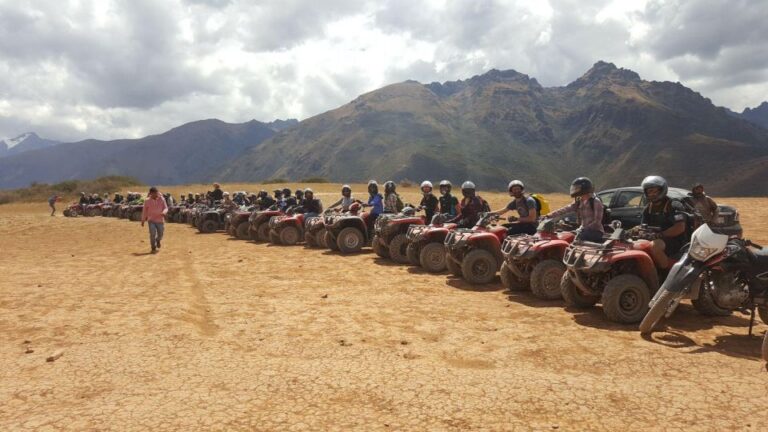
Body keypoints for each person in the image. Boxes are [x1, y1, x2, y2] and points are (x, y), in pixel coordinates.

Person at [638, 175, 687, 269]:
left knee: (655, 247)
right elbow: (643, 226)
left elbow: (680, 227)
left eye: (655, 191)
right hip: (657, 238)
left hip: (676, 240)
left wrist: (661, 234)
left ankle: (670, 272)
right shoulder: (648, 208)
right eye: (649, 191)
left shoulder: (673, 205)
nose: (652, 194)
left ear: (662, 190)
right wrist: (638, 231)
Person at [544, 177, 605, 243]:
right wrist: (549, 215)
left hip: (596, 232)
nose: (575, 190)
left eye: (577, 188)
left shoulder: (596, 201)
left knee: (577, 238)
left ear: (584, 188)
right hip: (583, 230)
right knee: (566, 236)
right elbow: (566, 209)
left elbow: (597, 222)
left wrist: (583, 229)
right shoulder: (579, 201)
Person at [141, 186, 168, 254]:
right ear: (150, 194)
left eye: (156, 193)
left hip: (160, 220)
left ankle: (158, 240)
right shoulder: (147, 201)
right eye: (154, 194)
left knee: (160, 234)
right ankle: (153, 246)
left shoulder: (162, 199)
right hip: (151, 220)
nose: (155, 195)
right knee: (152, 233)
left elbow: (166, 208)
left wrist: (164, 212)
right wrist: (143, 220)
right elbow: (144, 211)